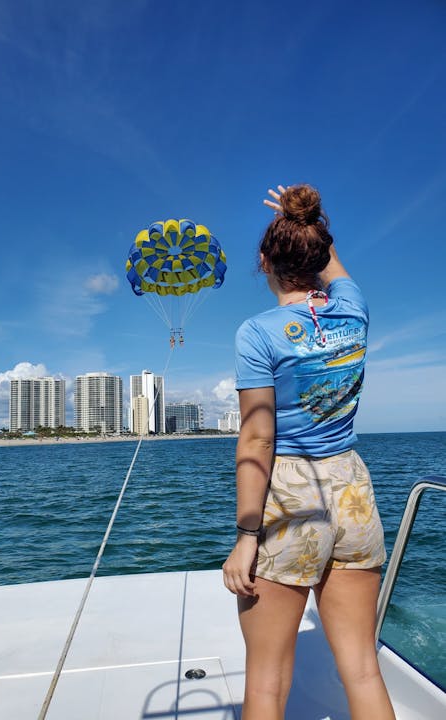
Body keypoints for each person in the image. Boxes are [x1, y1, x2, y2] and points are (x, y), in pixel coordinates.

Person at [222, 184, 395, 720]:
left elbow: (257, 438)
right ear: (320, 254)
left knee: (267, 684)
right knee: (363, 668)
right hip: (352, 489)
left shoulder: (257, 334)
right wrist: (311, 219)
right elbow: (335, 266)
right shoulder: (353, 308)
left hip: (291, 495)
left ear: (263, 261)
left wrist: (247, 537)